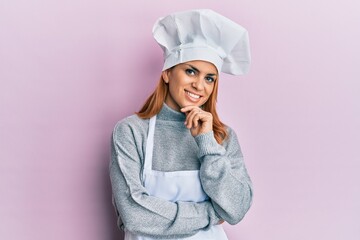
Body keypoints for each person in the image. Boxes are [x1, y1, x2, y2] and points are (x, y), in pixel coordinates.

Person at [110, 9, 253, 240]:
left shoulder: (222, 136)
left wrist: (207, 143)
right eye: (190, 71)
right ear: (167, 73)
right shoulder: (131, 132)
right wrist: (210, 213)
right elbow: (133, 214)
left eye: (209, 78)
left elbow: (236, 209)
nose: (199, 85)